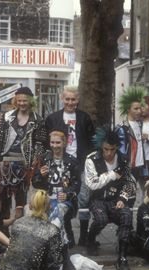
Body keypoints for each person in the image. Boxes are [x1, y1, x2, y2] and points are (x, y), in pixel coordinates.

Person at [0, 190, 67, 270]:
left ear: (29, 205)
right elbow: (52, 265)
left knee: (5, 253)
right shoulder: (52, 231)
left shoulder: (18, 223)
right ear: (49, 207)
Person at [45, 86, 95, 248]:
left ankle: (84, 236)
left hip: (80, 163)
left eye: (73, 99)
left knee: (83, 199)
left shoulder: (84, 118)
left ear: (78, 100)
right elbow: (48, 143)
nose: (70, 102)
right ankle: (68, 235)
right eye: (67, 99)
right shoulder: (53, 118)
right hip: (61, 164)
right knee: (62, 198)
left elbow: (91, 142)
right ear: (62, 99)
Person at [0, 86, 48, 227]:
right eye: (19, 101)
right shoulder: (7, 116)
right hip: (6, 163)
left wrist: (36, 162)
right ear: (15, 101)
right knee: (2, 198)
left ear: (30, 101)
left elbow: (41, 143)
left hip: (25, 164)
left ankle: (19, 229)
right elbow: (0, 139)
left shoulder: (38, 120)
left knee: (21, 201)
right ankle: (2, 228)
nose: (22, 103)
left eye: (25, 100)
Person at [85, 128, 136, 270]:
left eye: (112, 149)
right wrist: (112, 174)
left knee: (126, 215)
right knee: (101, 219)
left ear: (117, 147)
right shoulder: (92, 159)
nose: (109, 153)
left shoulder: (123, 159)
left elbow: (129, 183)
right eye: (106, 149)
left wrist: (122, 198)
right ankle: (91, 238)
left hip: (116, 199)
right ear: (101, 146)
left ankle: (122, 257)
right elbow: (92, 184)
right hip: (98, 198)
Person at [33, 129, 80, 270]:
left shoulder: (72, 161)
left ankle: (64, 259)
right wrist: (40, 175)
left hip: (64, 202)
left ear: (64, 143)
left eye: (58, 142)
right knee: (55, 222)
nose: (55, 145)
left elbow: (77, 184)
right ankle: (62, 259)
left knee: (57, 217)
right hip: (47, 201)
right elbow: (35, 183)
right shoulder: (44, 159)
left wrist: (67, 193)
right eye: (52, 142)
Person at [115, 86, 147, 194]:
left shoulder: (141, 124)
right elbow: (121, 151)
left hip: (141, 165)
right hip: (130, 167)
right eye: (136, 108)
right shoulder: (122, 128)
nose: (139, 111)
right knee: (128, 195)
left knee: (145, 193)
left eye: (140, 108)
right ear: (128, 109)